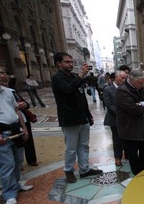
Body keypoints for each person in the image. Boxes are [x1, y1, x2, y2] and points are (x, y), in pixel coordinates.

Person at [51, 52, 103, 183]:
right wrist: (80, 75)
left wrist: (88, 115)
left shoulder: (74, 76)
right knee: (71, 147)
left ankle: (84, 169)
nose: (70, 64)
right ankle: (69, 170)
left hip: (82, 117)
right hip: (69, 118)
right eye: (67, 62)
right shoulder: (58, 78)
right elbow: (68, 90)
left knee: (84, 146)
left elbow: (81, 97)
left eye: (71, 62)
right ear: (59, 63)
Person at [0, 65, 34, 204]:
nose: (1, 76)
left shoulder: (8, 92)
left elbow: (16, 111)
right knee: (7, 164)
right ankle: (9, 193)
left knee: (18, 161)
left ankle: (16, 185)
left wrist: (24, 128)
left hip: (15, 130)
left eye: (2, 72)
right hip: (1, 133)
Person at [116, 69, 144, 175]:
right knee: (133, 155)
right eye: (140, 83)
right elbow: (133, 109)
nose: (142, 85)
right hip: (131, 130)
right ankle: (138, 176)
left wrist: (142, 104)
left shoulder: (141, 87)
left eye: (143, 82)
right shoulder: (122, 90)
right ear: (131, 80)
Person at [103, 70, 127, 166]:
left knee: (127, 137)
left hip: (127, 118)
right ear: (116, 77)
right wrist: (120, 113)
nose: (124, 80)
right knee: (117, 138)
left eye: (125, 78)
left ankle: (128, 154)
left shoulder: (126, 88)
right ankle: (118, 157)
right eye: (122, 78)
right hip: (115, 118)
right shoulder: (108, 89)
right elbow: (108, 104)